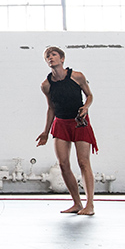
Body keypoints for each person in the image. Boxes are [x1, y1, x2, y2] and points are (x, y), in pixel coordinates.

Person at [36, 46, 98, 216]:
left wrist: (86, 107)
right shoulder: (46, 85)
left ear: (62, 59)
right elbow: (51, 108)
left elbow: (89, 95)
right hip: (61, 123)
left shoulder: (77, 76)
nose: (50, 57)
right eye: (47, 56)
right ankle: (77, 203)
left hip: (79, 122)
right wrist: (45, 132)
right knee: (63, 164)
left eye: (54, 55)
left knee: (83, 162)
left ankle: (90, 204)